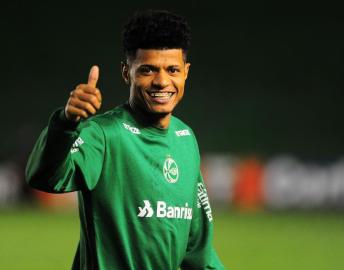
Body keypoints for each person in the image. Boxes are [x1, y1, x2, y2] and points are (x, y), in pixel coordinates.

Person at [25, 9, 225, 270]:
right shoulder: (103, 134)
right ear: (126, 72)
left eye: (172, 69)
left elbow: (197, 249)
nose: (162, 81)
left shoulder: (185, 139)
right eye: (148, 70)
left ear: (186, 72)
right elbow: (44, 176)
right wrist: (65, 123)